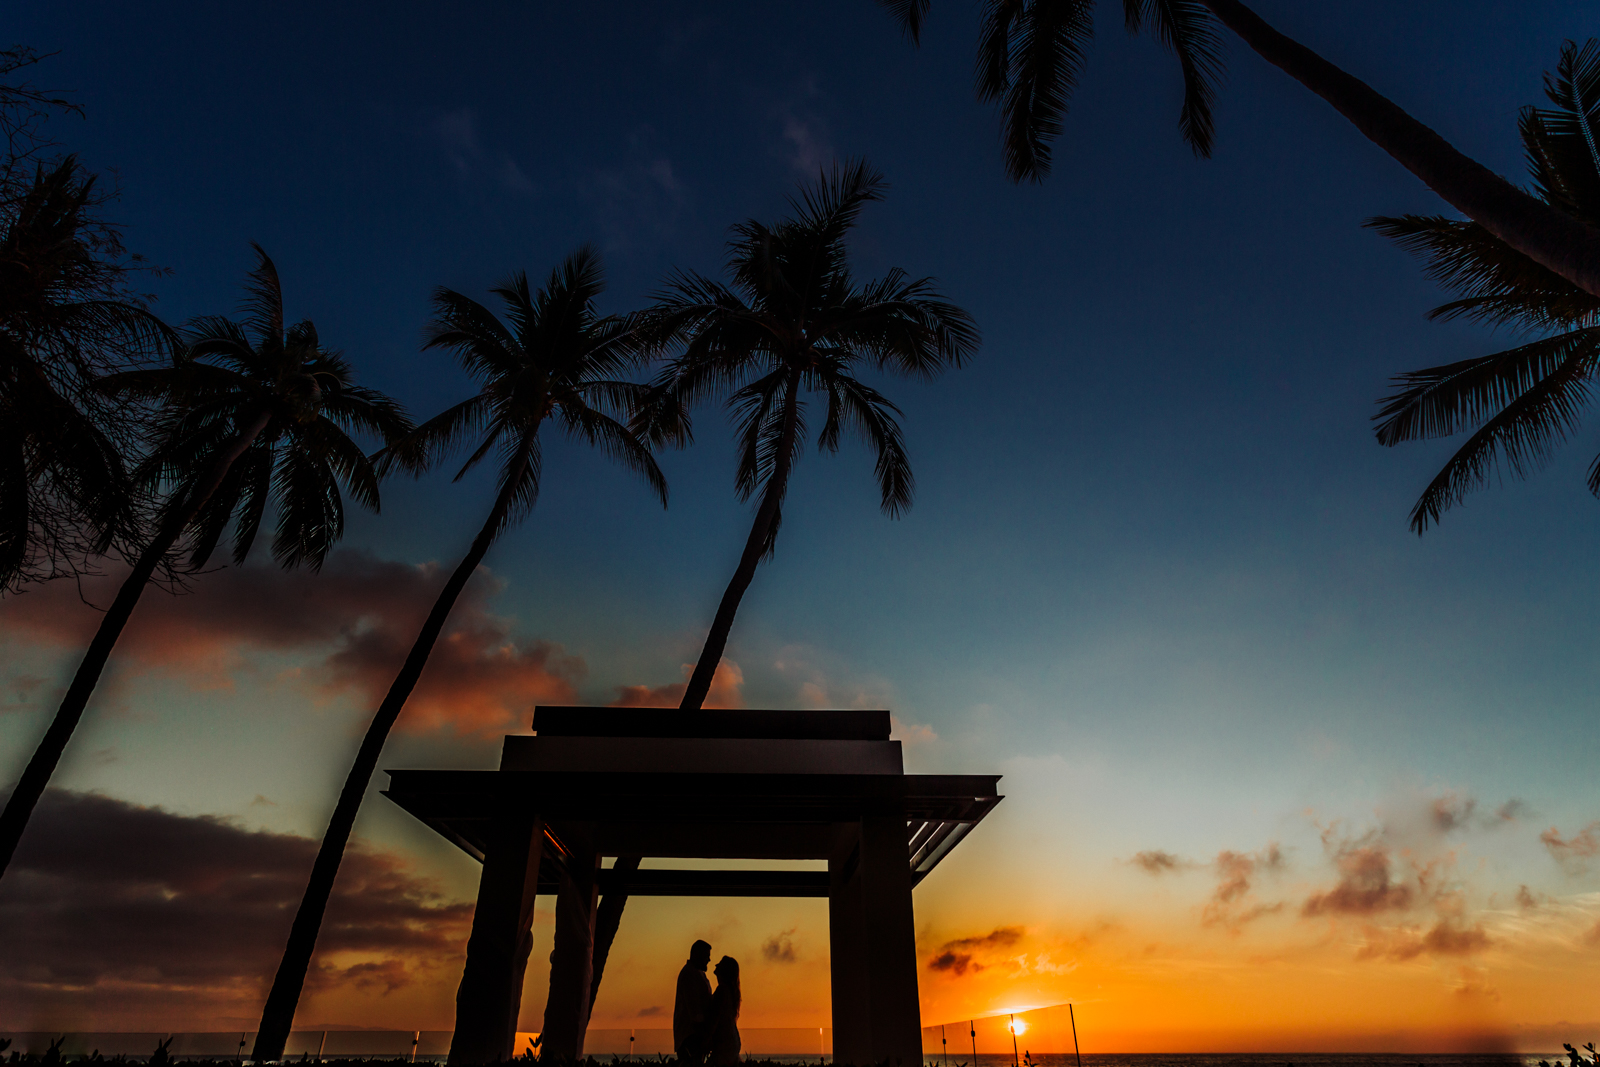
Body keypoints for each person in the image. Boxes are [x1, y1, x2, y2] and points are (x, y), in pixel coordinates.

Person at [673, 939, 714, 1063]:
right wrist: (705, 1036)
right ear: (697, 954)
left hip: (693, 1036)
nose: (709, 960)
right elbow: (695, 1012)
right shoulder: (690, 974)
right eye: (707, 956)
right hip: (691, 1037)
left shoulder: (697, 973)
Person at [699, 955, 741, 1066]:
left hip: (725, 1042)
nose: (716, 964)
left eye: (720, 963)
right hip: (731, 1040)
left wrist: (706, 1040)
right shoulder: (729, 992)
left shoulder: (722, 990)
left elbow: (714, 1018)